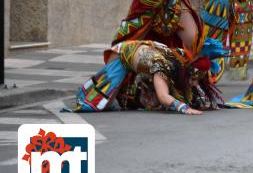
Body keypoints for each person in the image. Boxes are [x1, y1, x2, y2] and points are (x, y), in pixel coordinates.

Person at [70, 37, 228, 115]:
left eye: (197, 80)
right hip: (123, 55)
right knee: (99, 104)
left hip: (145, 57)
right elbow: (163, 96)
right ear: (186, 72)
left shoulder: (183, 60)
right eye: (193, 79)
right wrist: (184, 108)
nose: (195, 83)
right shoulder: (162, 67)